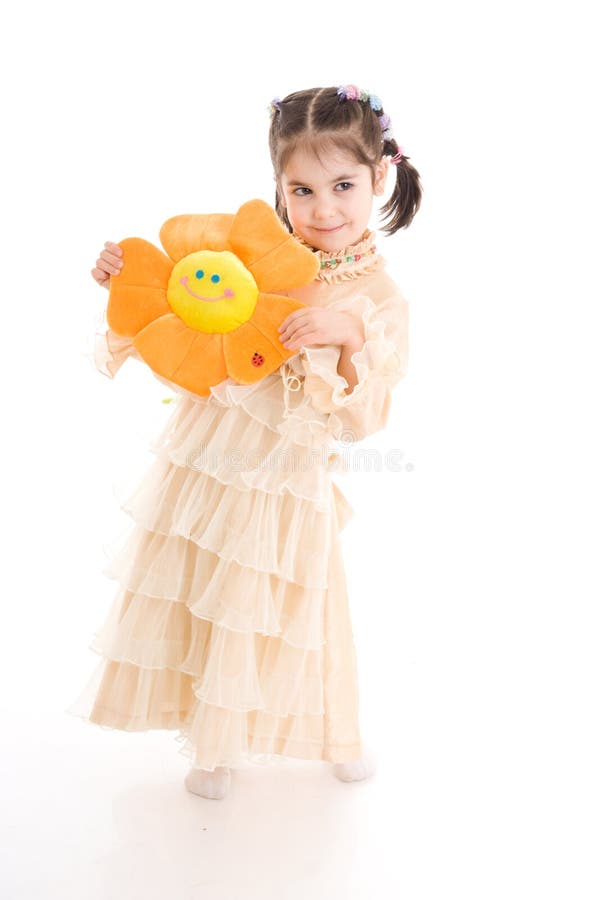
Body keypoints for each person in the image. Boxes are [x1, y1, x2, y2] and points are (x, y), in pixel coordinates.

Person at [71, 84, 422, 801]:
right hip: (209, 451)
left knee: (291, 598)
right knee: (204, 585)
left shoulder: (378, 298)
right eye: (302, 189)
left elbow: (367, 415)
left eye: (343, 185)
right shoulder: (250, 255)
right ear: (279, 187)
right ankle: (212, 746)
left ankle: (331, 731)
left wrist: (351, 336)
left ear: (379, 177)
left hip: (287, 471)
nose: (324, 209)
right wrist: (125, 278)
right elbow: (179, 314)